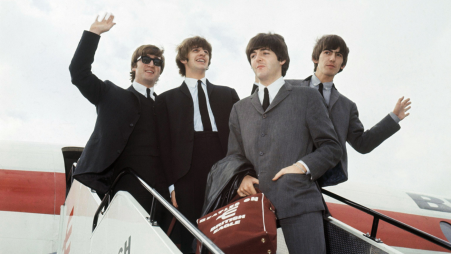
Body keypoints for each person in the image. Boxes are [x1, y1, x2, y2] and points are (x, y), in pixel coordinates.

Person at [228, 32, 342, 254]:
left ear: (282, 60)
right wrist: (241, 176)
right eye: (253, 55)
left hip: (300, 202)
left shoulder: (307, 97)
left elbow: (331, 147)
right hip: (255, 206)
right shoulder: (239, 109)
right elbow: (234, 155)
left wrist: (302, 167)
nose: (257, 58)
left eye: (265, 53)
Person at [69, 14, 169, 227]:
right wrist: (93, 33)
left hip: (161, 194)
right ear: (134, 66)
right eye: (146, 59)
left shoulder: (167, 106)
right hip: (124, 185)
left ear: (160, 70)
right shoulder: (110, 94)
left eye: (157, 61)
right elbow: (79, 73)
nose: (151, 64)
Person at [286, 35, 411, 186]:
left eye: (338, 55)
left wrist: (393, 118)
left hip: (314, 181)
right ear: (315, 58)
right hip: (279, 169)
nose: (332, 58)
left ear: (342, 65)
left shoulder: (347, 106)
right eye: (327, 52)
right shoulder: (287, 88)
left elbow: (362, 144)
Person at [155, 36, 239, 253]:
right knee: (191, 235)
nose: (202, 54)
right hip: (186, 173)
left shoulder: (227, 94)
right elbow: (164, 146)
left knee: (227, 232)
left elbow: (241, 135)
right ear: (184, 59)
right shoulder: (166, 100)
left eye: (206, 52)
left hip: (224, 166)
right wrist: (171, 185)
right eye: (196, 50)